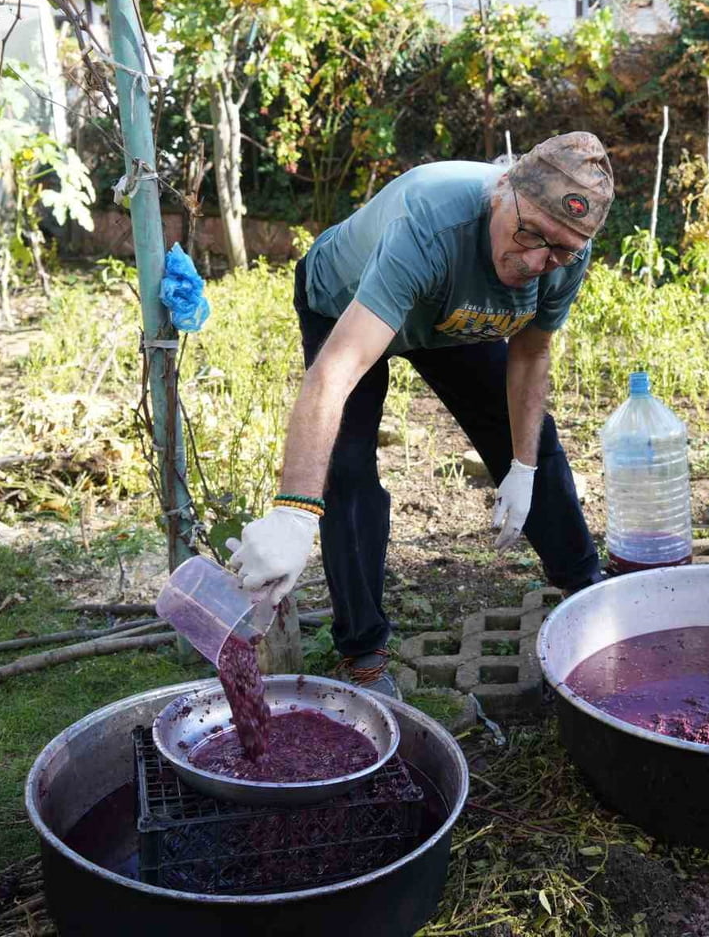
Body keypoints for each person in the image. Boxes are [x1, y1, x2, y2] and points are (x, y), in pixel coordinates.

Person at [227, 132, 615, 697]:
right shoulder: (431, 225)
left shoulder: (562, 254)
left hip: (452, 317)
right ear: (501, 191)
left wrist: (524, 467)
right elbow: (335, 372)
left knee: (530, 437)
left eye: (559, 250)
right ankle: (364, 653)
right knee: (350, 473)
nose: (537, 261)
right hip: (347, 302)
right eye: (528, 233)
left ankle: (586, 591)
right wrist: (293, 511)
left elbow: (531, 353)